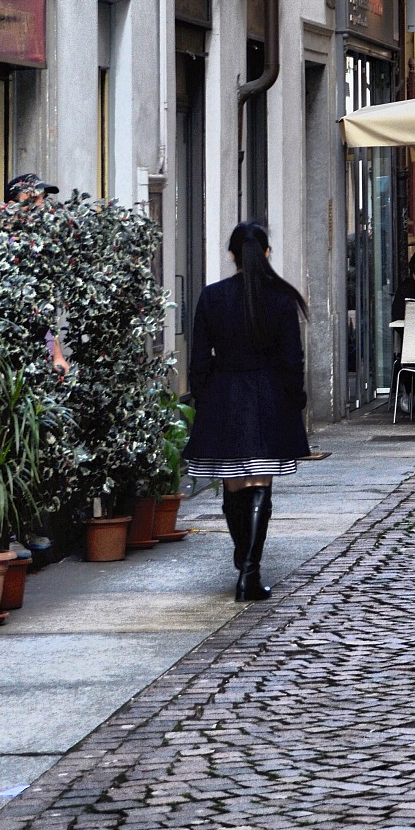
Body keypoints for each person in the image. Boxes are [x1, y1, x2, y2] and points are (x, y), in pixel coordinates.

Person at [184, 222, 310, 602]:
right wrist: (295, 398)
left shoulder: (212, 297)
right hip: (268, 397)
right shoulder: (281, 299)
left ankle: (244, 562)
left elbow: (198, 360)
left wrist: (204, 399)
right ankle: (249, 573)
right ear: (267, 253)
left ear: (232, 255)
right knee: (260, 483)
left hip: (225, 396)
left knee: (234, 483)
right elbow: (292, 360)